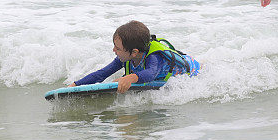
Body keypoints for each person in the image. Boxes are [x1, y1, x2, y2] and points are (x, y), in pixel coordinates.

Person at [68, 20, 200, 93]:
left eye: (118, 48)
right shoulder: (124, 57)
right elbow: (102, 74)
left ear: (134, 52)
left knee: (202, 66)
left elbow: (151, 74)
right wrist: (75, 84)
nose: (114, 50)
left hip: (191, 68)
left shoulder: (154, 58)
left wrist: (130, 77)